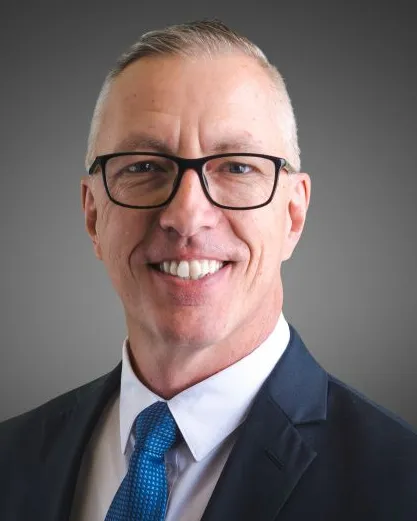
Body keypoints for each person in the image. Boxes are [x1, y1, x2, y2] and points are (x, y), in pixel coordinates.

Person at [1, 18, 416, 521]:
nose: (185, 216)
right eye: (143, 167)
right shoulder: (12, 458)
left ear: (293, 214)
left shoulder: (400, 482)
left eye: (237, 166)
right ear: (93, 214)